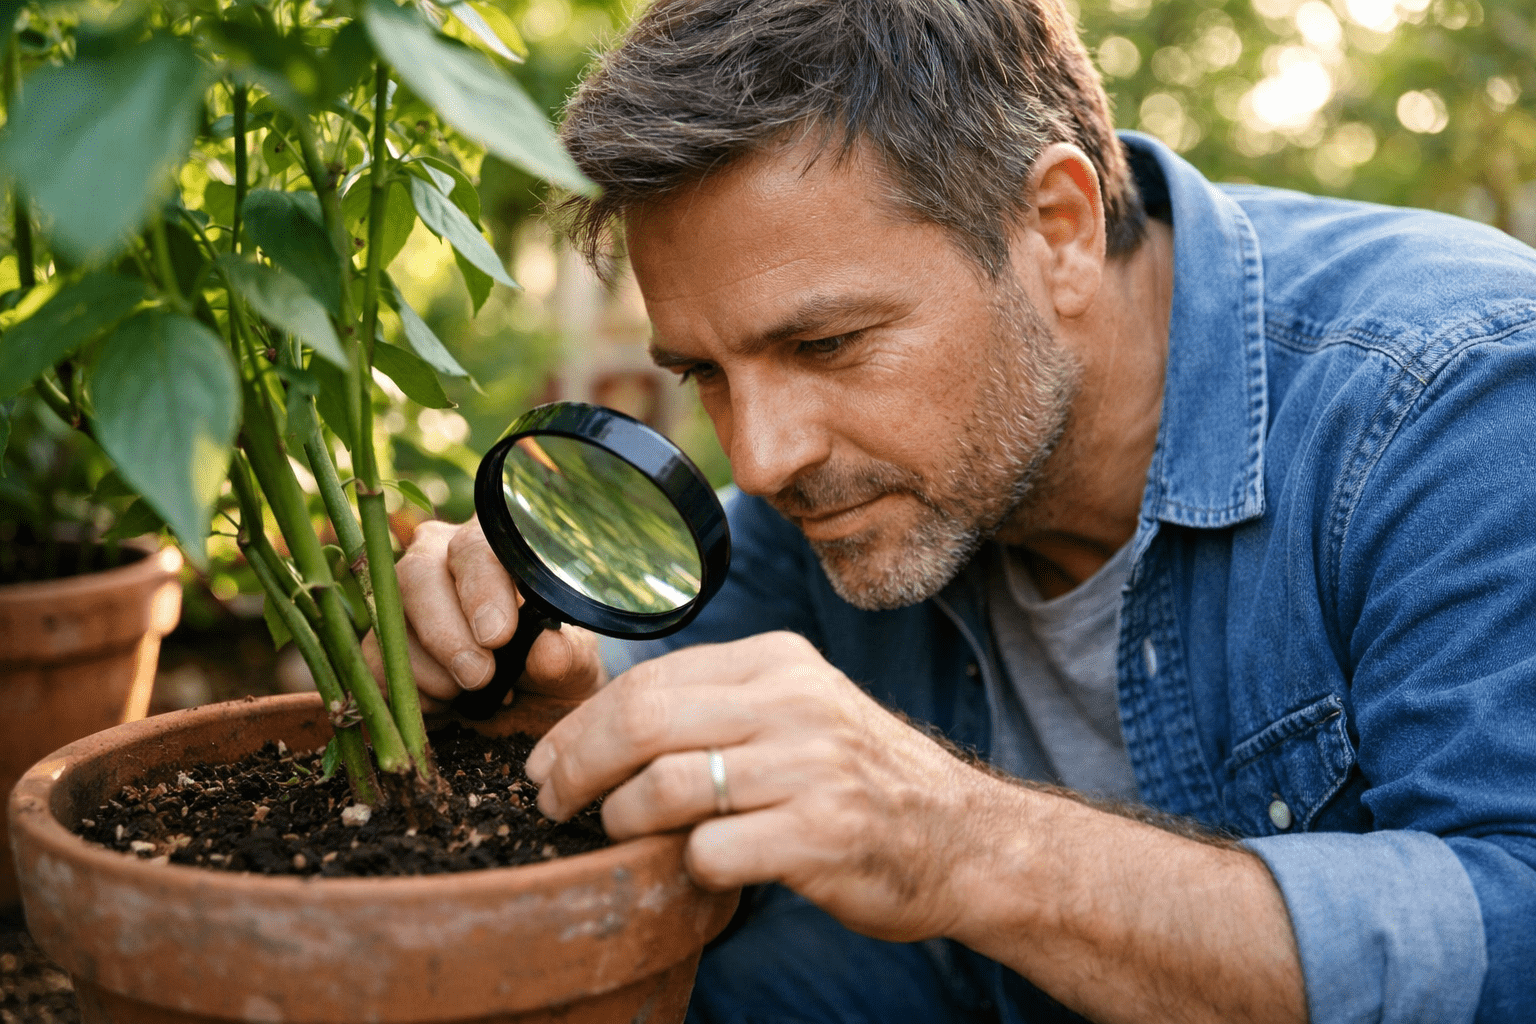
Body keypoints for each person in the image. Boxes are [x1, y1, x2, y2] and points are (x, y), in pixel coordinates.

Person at [370, 1, 1536, 1021]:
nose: (764, 460)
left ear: (1059, 232)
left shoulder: (1457, 397)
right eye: (705, 376)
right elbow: (656, 744)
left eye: (827, 343)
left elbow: (1516, 926)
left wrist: (969, 842)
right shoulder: (824, 508)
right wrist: (547, 700)